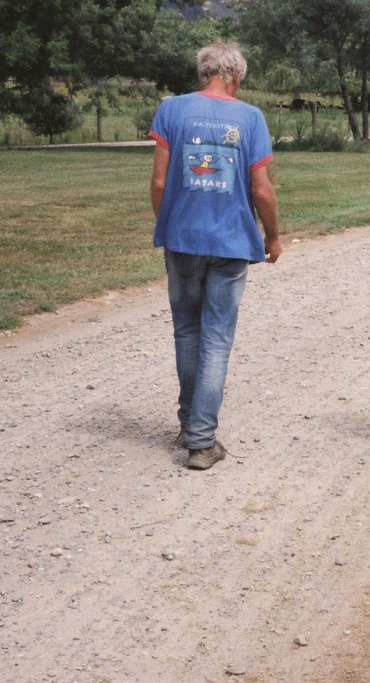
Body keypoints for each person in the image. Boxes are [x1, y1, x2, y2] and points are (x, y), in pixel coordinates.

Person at [149, 41, 281, 470]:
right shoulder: (250, 118)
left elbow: (158, 182)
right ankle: (202, 441)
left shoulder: (171, 109)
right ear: (236, 77)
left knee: (187, 332)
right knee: (217, 338)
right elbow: (261, 189)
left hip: (182, 239)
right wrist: (273, 236)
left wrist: (169, 225)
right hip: (231, 244)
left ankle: (191, 424)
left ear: (203, 72)